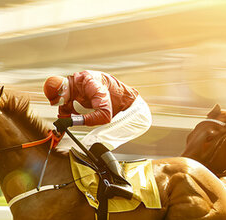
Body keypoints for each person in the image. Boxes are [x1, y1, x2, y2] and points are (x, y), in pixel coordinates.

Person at [43, 70, 151, 198]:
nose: (61, 104)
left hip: (136, 112)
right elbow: (62, 127)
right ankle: (99, 182)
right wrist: (49, 143)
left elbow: (105, 115)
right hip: (120, 115)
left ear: (64, 89)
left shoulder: (89, 82)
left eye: (59, 100)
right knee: (79, 148)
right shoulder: (67, 100)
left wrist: (73, 121)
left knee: (93, 141)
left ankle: (123, 184)